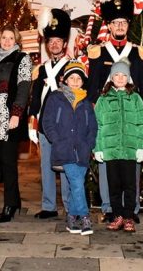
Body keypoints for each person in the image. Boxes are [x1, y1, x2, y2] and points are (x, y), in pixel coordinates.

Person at [84, 0, 143, 222]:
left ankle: (131, 210)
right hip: (106, 118)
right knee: (106, 165)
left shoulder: (139, 54)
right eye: (115, 23)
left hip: (131, 117)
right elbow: (91, 91)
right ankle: (109, 208)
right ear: (108, 26)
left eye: (123, 22)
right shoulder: (97, 53)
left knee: (132, 165)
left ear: (128, 25)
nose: (119, 26)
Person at [41, 61, 97, 235]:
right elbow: (47, 122)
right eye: (71, 78)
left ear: (82, 81)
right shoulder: (56, 97)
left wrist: (90, 144)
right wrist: (57, 140)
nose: (74, 81)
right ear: (65, 80)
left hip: (82, 149)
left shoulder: (86, 101)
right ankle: (85, 216)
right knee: (76, 182)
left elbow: (92, 126)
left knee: (76, 184)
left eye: (78, 78)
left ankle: (72, 217)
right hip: (64, 148)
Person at [93, 59, 143, 233]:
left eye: (123, 75)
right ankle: (117, 215)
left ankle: (129, 216)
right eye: (116, 74)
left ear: (129, 78)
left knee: (130, 186)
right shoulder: (103, 100)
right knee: (114, 185)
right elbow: (97, 126)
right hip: (111, 150)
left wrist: (142, 147)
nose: (120, 78)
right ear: (111, 77)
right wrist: (98, 148)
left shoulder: (135, 98)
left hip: (130, 150)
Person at [29, 7, 72, 220]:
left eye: (58, 41)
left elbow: (77, 97)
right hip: (45, 126)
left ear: (65, 44)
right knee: (46, 166)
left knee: (65, 166)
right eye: (51, 41)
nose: (54, 45)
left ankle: (69, 205)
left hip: (65, 127)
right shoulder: (41, 69)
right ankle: (48, 206)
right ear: (47, 45)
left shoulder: (73, 67)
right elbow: (35, 97)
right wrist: (32, 122)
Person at [0, 25, 33, 223]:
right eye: (4, 38)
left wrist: (17, 114)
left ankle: (9, 205)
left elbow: (24, 87)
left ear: (16, 41)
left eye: (10, 38)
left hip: (10, 115)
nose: (7, 41)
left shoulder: (22, 59)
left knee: (8, 162)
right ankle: (13, 201)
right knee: (2, 160)